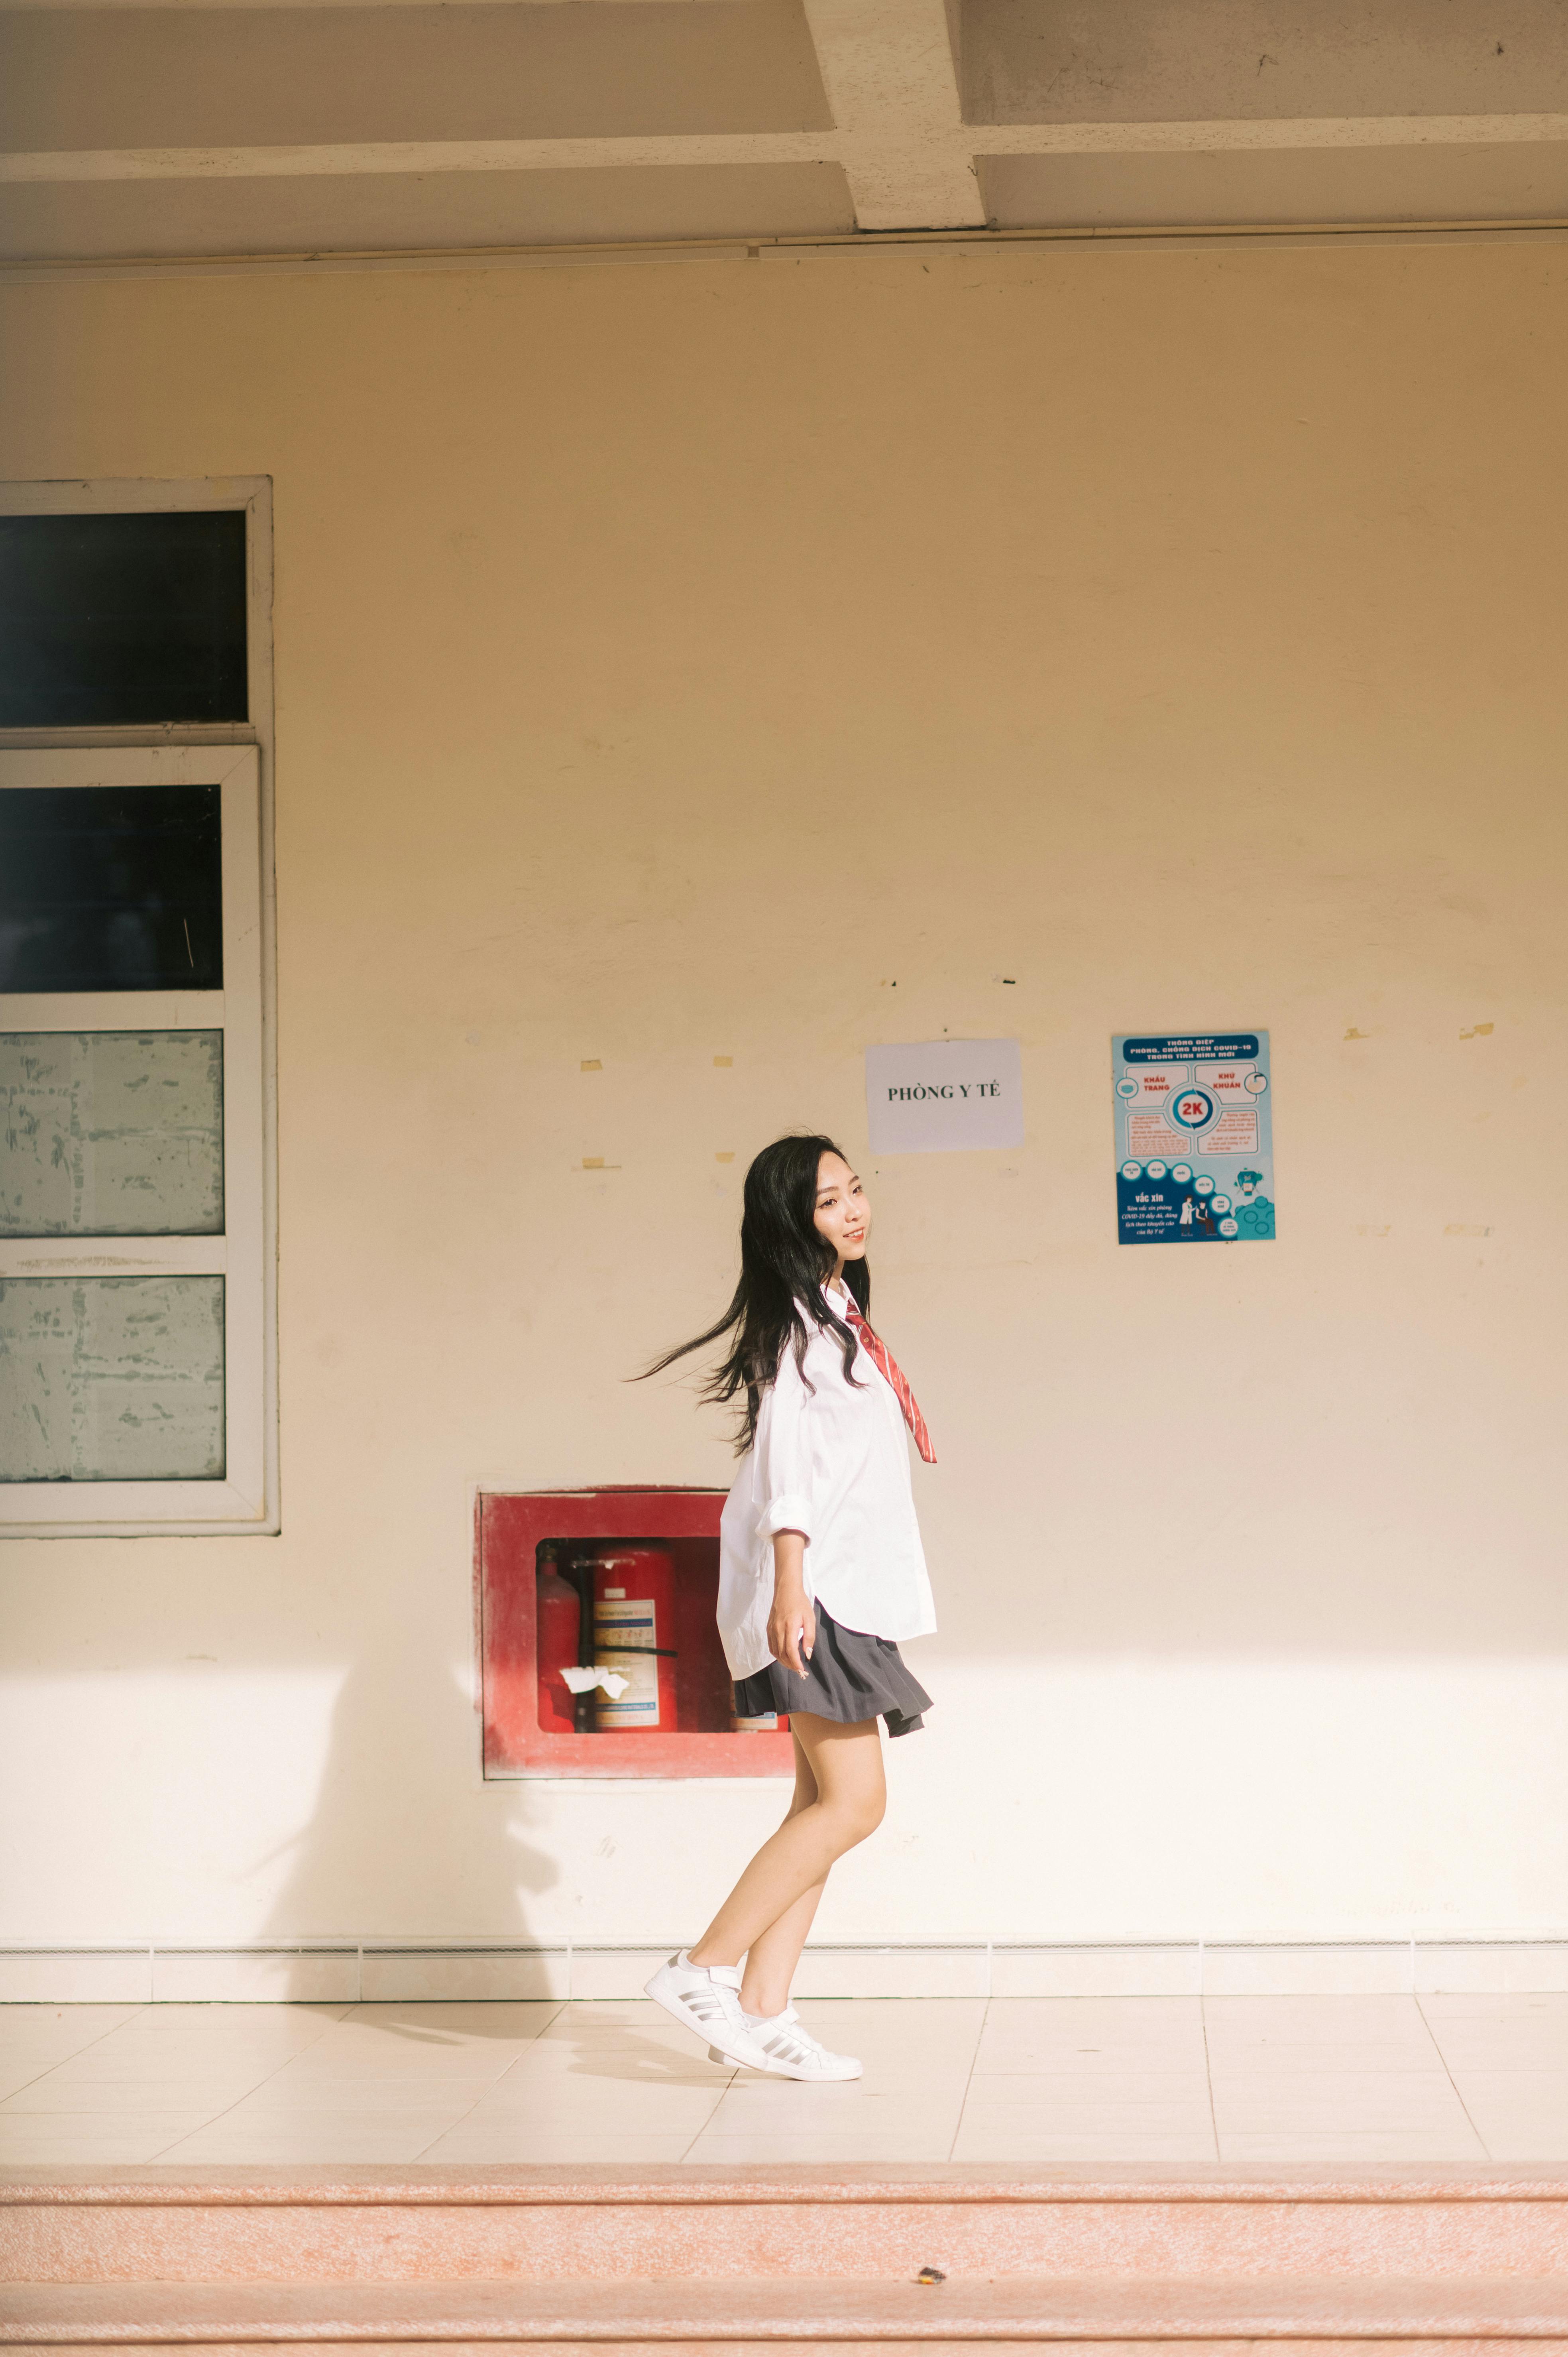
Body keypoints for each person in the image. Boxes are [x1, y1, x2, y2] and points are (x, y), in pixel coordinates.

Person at [637, 1133, 936, 2082]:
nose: (852, 1211)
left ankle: (762, 2009)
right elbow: (784, 1468)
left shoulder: (836, 1313)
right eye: (826, 1203)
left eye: (854, 1191)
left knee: (819, 1800)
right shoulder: (798, 1328)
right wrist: (793, 1578)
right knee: (856, 1803)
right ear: (787, 1223)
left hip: (846, 1587)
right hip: (818, 1593)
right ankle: (701, 1970)